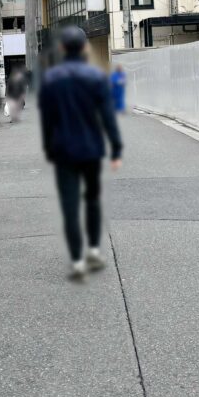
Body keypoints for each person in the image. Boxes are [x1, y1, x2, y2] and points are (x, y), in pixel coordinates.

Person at [38, 26, 123, 281]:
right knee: (93, 200)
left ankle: (77, 261)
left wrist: (49, 148)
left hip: (63, 149)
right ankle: (94, 251)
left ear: (62, 48)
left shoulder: (51, 79)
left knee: (69, 206)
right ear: (85, 47)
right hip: (91, 149)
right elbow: (108, 117)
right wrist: (116, 147)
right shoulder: (96, 77)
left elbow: (47, 120)